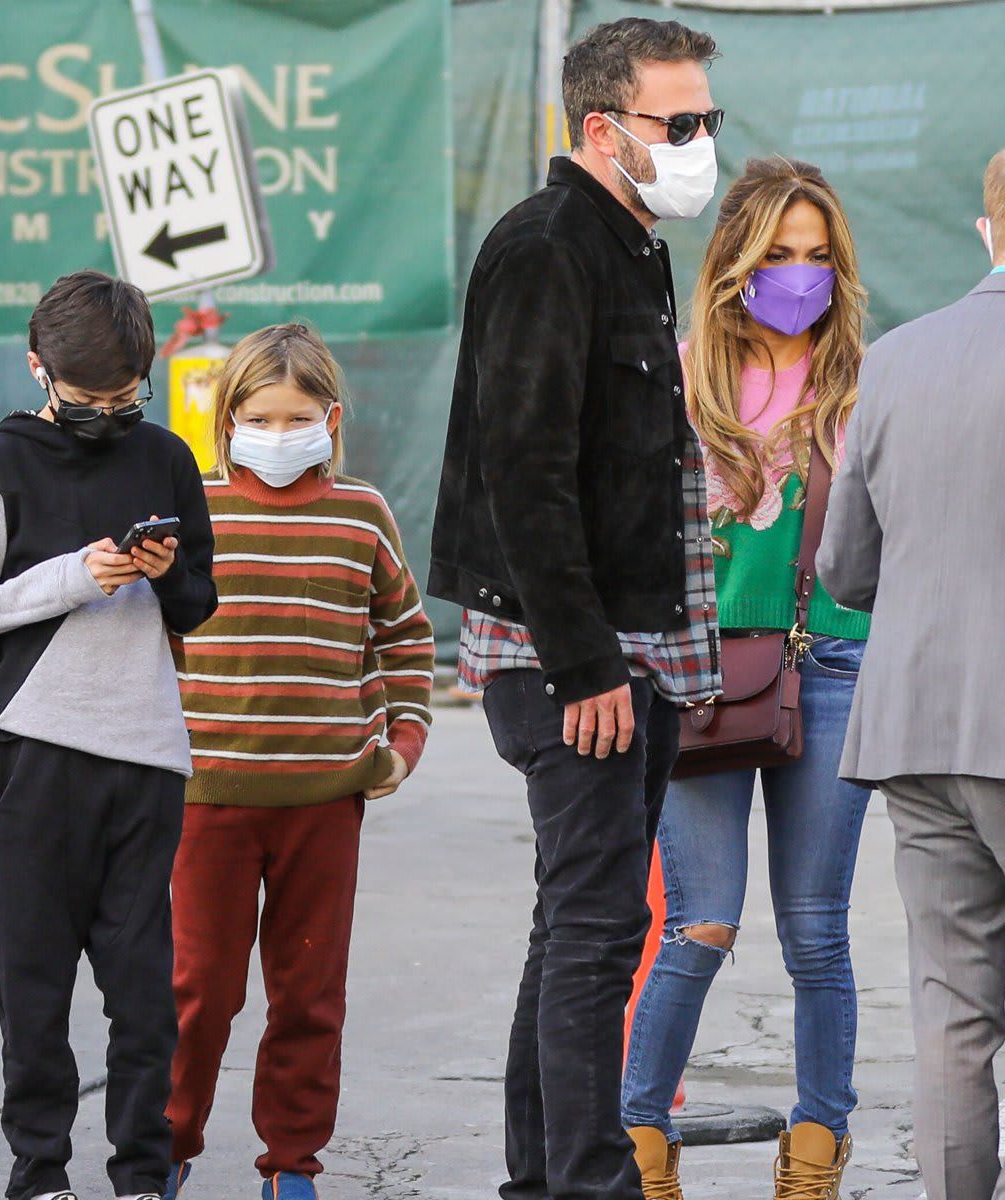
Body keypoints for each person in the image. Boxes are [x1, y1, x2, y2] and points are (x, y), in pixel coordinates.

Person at [429, 18, 723, 1200]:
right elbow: (526, 470)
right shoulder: (550, 244)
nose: (703, 141)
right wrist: (586, 663)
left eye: (710, 117)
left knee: (577, 931)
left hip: (637, 646)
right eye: (681, 122)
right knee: (599, 934)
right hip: (579, 659)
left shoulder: (629, 242)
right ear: (604, 128)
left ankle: (540, 1180)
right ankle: (587, 1184)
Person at [0, 269, 218, 1200]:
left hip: (146, 756)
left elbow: (199, 604)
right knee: (33, 983)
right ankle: (40, 1174)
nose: (106, 414)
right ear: (37, 367)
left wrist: (166, 572)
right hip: (34, 753)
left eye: (124, 397)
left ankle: (142, 1174)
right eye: (85, 400)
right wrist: (72, 577)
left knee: (144, 996)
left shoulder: (167, 455)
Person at [620, 157, 871, 1200]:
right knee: (699, 922)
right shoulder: (682, 375)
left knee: (818, 932)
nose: (800, 277)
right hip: (700, 671)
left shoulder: (869, 379)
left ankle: (817, 1145)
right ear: (735, 262)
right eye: (779, 255)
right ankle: (637, 1140)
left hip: (837, 660)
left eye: (818, 257)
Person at [164, 323, 435, 1200]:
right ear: (227, 417)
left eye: (297, 417)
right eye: (260, 416)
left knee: (310, 994)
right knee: (198, 991)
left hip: (325, 801)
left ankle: (292, 1166)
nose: (278, 435)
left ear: (331, 417)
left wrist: (402, 743)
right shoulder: (192, 511)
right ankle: (164, 1150)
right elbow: (149, 639)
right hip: (205, 799)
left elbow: (405, 634)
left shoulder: (361, 514)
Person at [817, 148, 1005, 1200]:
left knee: (950, 1013)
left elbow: (845, 568)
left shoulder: (894, 360)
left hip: (918, 728)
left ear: (987, 230)